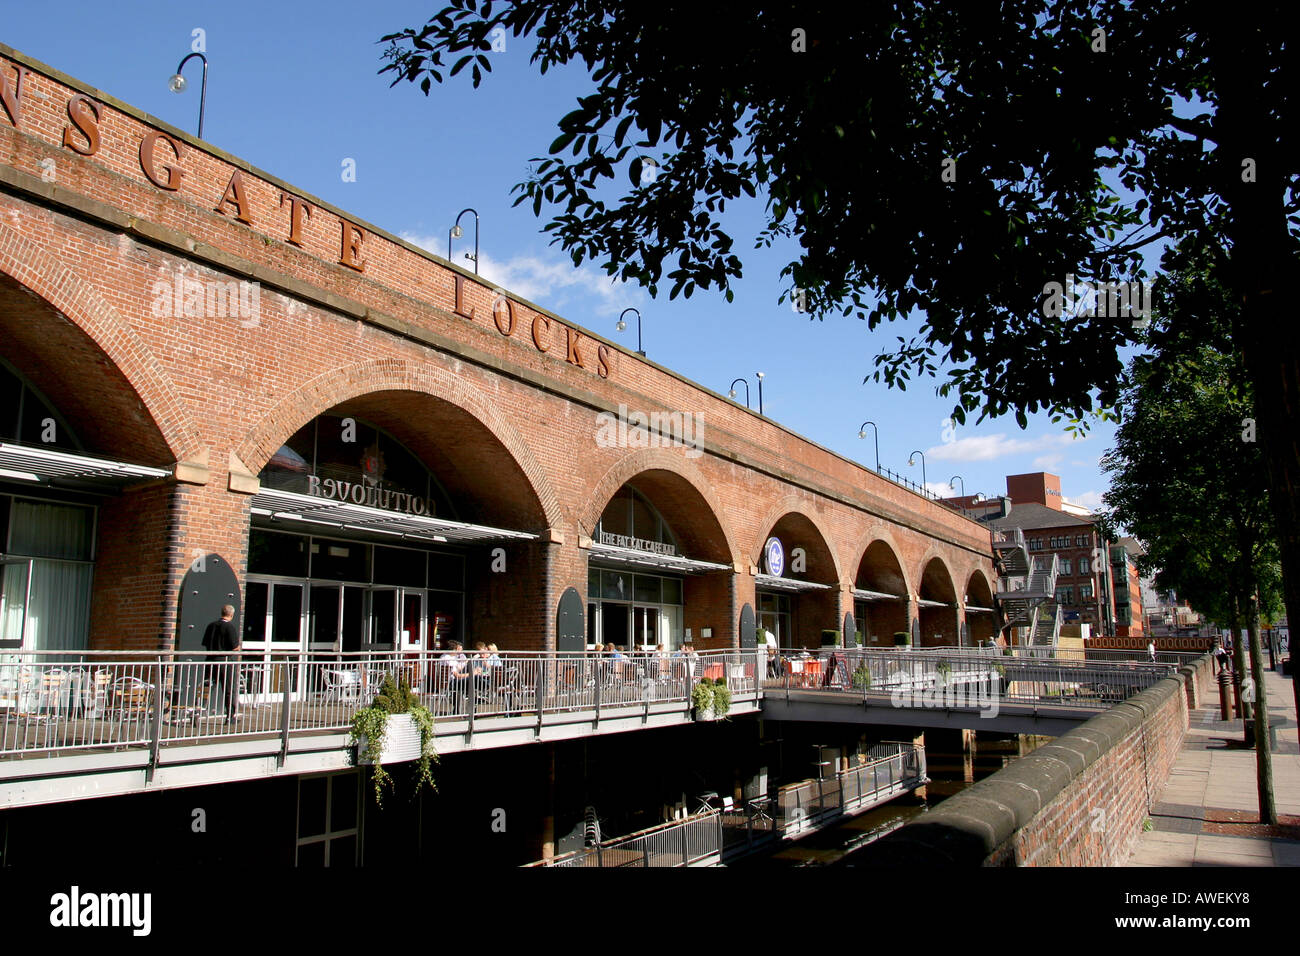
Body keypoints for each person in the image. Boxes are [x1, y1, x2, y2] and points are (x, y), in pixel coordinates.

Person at [201, 604, 241, 722]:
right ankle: (230, 716)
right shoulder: (229, 627)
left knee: (207, 688)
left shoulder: (211, 626)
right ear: (231, 614)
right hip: (224, 661)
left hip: (210, 660)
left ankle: (197, 713)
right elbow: (235, 647)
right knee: (228, 689)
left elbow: (205, 643)